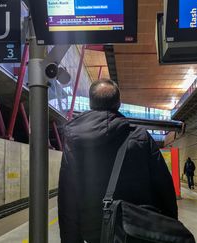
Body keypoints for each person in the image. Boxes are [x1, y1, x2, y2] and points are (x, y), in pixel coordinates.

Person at [58, 79, 178, 243]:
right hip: (136, 230)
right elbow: (164, 188)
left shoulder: (74, 142)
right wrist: (168, 227)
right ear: (119, 104)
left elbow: (68, 196)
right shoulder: (141, 137)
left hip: (94, 233)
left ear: (91, 104)